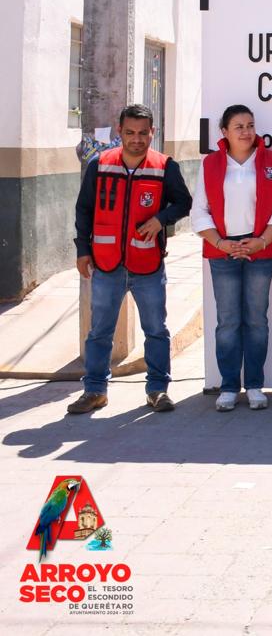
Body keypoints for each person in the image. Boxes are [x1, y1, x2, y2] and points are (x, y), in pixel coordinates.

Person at [67, 104, 192, 415]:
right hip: (106, 263)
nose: (136, 139)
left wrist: (160, 219)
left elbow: (184, 203)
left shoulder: (165, 166)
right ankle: (94, 390)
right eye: (130, 132)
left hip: (147, 265)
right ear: (120, 131)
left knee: (156, 330)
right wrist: (83, 249)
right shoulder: (100, 164)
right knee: (99, 332)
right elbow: (84, 209)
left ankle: (157, 390)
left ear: (153, 132)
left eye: (143, 133)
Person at [191, 105, 272, 412]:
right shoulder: (210, 164)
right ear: (224, 131)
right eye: (238, 126)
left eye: (250, 125)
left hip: (260, 249)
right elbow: (199, 210)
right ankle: (229, 386)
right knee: (228, 321)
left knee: (256, 319)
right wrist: (221, 242)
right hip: (222, 251)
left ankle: (255, 385)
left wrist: (261, 241)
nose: (246, 131)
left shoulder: (270, 161)